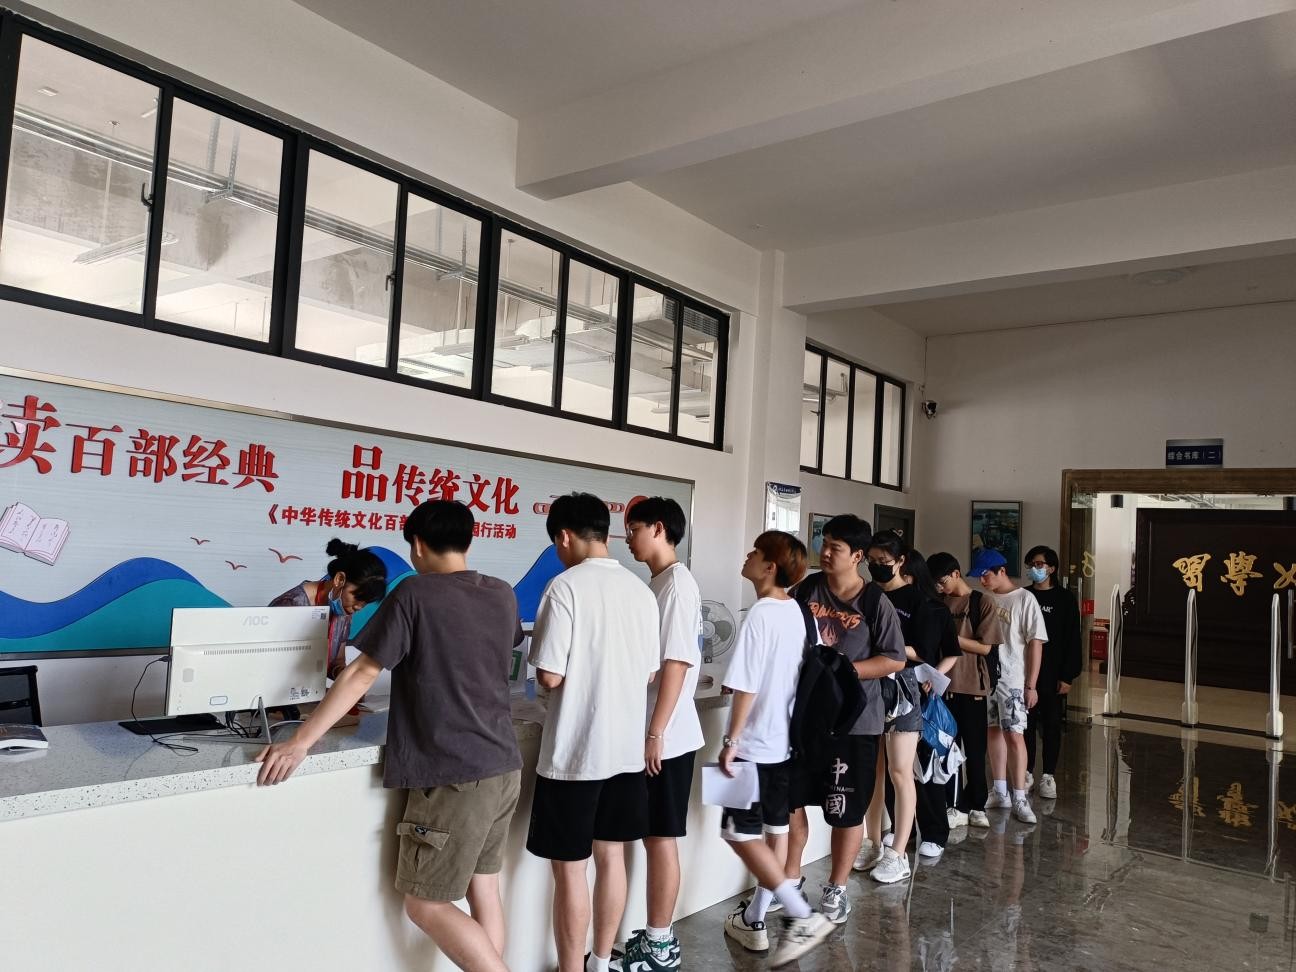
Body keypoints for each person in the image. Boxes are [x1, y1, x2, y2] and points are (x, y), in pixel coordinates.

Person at [255, 500, 524, 972]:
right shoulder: (501, 593)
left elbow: (362, 672)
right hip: (503, 766)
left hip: (453, 774)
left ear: (417, 544)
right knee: (484, 888)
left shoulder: (416, 592)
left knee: (425, 905)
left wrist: (300, 741)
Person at [525, 492, 661, 972]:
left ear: (564, 536)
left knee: (570, 871)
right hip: (625, 753)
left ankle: (572, 969)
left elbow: (549, 675)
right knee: (612, 858)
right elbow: (650, 672)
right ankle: (601, 962)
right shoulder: (641, 592)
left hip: (575, 754)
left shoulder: (565, 587)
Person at [718, 531, 836, 968]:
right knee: (775, 830)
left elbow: (746, 686)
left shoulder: (761, 614)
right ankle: (754, 918)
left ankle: (801, 913)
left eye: (755, 552)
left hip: (751, 744)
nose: (747, 556)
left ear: (769, 566)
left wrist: (731, 741)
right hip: (785, 745)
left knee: (736, 832)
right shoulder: (800, 612)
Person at [783, 514, 907, 914]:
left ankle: (836, 887)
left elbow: (894, 659)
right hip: (805, 718)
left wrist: (844, 671)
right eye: (825, 544)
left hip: (854, 722)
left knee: (845, 808)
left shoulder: (874, 602)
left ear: (857, 556)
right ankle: (790, 880)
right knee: (793, 800)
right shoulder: (806, 590)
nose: (826, 552)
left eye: (835, 547)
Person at [617, 496, 703, 972]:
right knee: (654, 835)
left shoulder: (676, 585)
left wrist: (655, 732)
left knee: (661, 837)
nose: (628, 538)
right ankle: (654, 937)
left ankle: (661, 944)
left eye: (633, 529)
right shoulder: (660, 582)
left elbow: (676, 662)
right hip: (660, 732)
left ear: (657, 528)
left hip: (668, 737)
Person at [869, 537, 961, 861]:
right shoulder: (873, 596)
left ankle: (934, 832)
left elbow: (938, 651)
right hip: (882, 687)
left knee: (922, 766)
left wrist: (931, 676)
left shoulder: (929, 607)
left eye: (885, 563)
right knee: (891, 769)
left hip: (915, 690)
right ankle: (900, 830)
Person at [967, 548, 1047, 825]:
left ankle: (1019, 796)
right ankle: (999, 790)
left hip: (1013, 679)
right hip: (987, 677)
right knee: (992, 731)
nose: (982, 581)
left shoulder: (1025, 599)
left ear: (1001, 571)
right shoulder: (983, 599)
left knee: (1014, 734)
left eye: (985, 575)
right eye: (979, 577)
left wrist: (1031, 685)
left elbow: (1035, 643)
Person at [926, 551, 1005, 830]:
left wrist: (953, 639)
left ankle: (977, 805)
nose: (940, 587)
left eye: (943, 581)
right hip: (944, 688)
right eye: (935, 583)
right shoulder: (938, 604)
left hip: (973, 687)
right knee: (947, 750)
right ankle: (953, 804)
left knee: (974, 749)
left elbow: (986, 647)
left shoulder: (981, 602)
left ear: (956, 574)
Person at [269, 538, 388, 678]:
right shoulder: (290, 605)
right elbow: (268, 665)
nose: (358, 607)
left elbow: (336, 662)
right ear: (339, 579)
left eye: (365, 602)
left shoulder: (344, 613)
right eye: (357, 597)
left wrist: (344, 676)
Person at [1022, 545, 1082, 800]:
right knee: (1025, 725)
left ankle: (1048, 775)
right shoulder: (1024, 595)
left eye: (1038, 564)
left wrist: (1068, 675)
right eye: (1031, 565)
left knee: (1052, 725)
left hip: (1053, 673)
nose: (1033, 569)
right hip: (1026, 674)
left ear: (1051, 568)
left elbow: (1073, 639)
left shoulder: (1065, 599)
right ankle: (1026, 772)